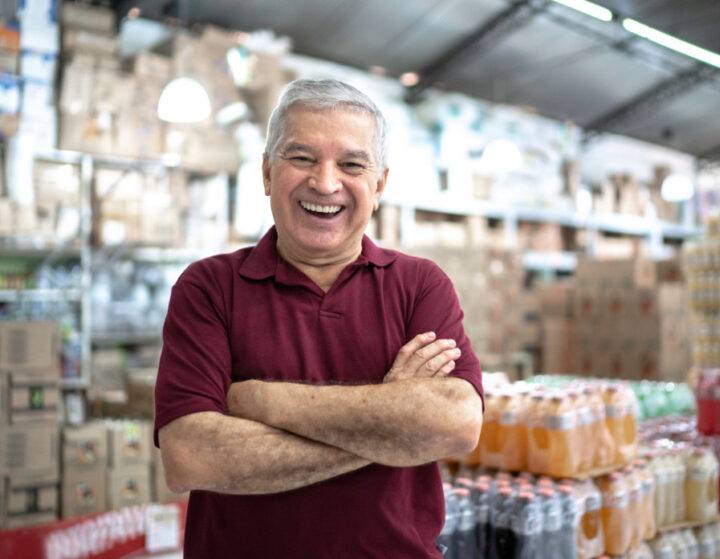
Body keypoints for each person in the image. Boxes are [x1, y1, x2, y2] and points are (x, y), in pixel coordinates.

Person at [154, 78, 484, 558]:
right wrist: (395, 425)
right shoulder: (208, 288)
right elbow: (191, 456)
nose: (325, 183)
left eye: (351, 164)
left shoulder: (420, 285)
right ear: (268, 173)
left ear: (379, 185)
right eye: (302, 158)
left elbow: (456, 423)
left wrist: (261, 400)